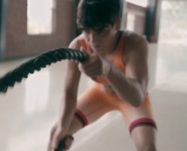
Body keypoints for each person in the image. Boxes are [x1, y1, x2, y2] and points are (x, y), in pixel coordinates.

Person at [47, 0, 157, 151]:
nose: (93, 41)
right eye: (87, 31)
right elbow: (69, 92)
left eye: (101, 31)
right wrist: (62, 127)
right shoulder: (78, 46)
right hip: (101, 93)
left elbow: (137, 98)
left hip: (130, 97)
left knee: (148, 148)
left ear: (117, 23)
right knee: (57, 134)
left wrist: (108, 69)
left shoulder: (135, 44)